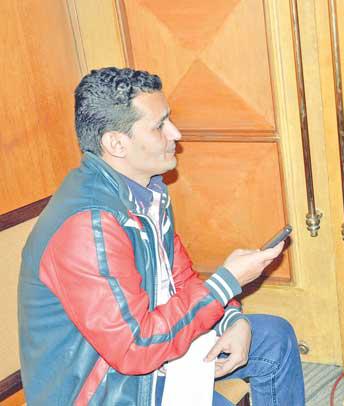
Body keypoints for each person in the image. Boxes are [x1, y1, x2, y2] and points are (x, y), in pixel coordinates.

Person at [18, 67, 304, 405]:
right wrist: (225, 284)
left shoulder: (147, 193)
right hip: (110, 388)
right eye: (159, 126)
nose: (176, 133)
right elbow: (135, 347)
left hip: (151, 355)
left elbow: (181, 279)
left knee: (274, 339)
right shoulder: (89, 226)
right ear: (116, 143)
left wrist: (232, 319)